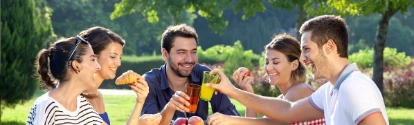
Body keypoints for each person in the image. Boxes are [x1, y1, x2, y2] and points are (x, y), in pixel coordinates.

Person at [206, 15, 389, 125]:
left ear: (329, 46)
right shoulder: (330, 90)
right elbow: (288, 111)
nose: (302, 58)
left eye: (307, 49)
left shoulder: (353, 87)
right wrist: (233, 91)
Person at [207, 34, 325, 125]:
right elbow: (257, 123)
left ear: (294, 65)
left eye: (276, 62)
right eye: (267, 62)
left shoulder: (301, 90)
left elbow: (279, 123)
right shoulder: (282, 99)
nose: (268, 67)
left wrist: (231, 119)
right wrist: (248, 91)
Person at [141, 24, 240, 125]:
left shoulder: (204, 75)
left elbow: (233, 118)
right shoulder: (150, 82)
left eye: (193, 52)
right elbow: (150, 123)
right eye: (182, 52)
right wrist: (170, 107)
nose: (189, 59)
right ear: (165, 54)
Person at [78, 26, 161, 125]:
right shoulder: (78, 98)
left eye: (120, 57)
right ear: (93, 57)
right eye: (113, 56)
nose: (118, 63)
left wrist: (140, 101)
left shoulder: (97, 95)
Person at [27, 36, 105, 125]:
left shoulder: (82, 105)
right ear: (76, 65)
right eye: (92, 59)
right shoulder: (47, 106)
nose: (98, 66)